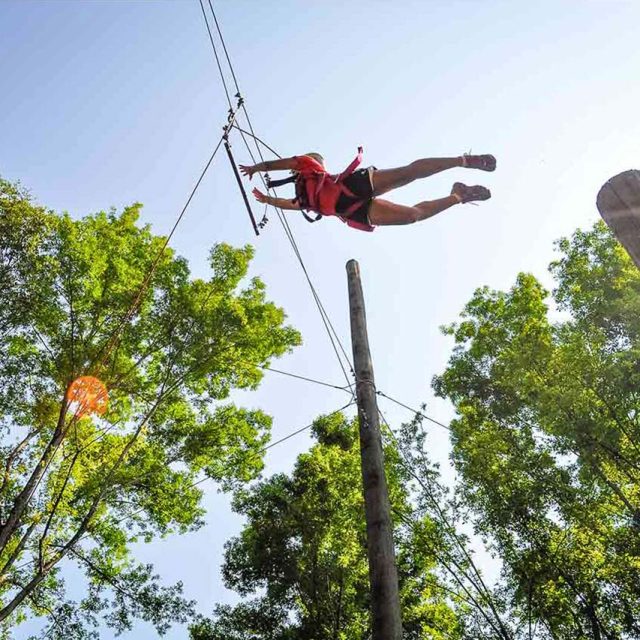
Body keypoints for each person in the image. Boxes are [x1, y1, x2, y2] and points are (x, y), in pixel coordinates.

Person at [239, 149, 496, 232]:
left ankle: (463, 161)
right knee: (412, 216)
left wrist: (256, 167)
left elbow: (277, 164)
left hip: (350, 184)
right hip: (351, 209)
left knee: (407, 174)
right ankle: (459, 195)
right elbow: (289, 205)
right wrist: (268, 200)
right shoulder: (303, 198)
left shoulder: (309, 166)